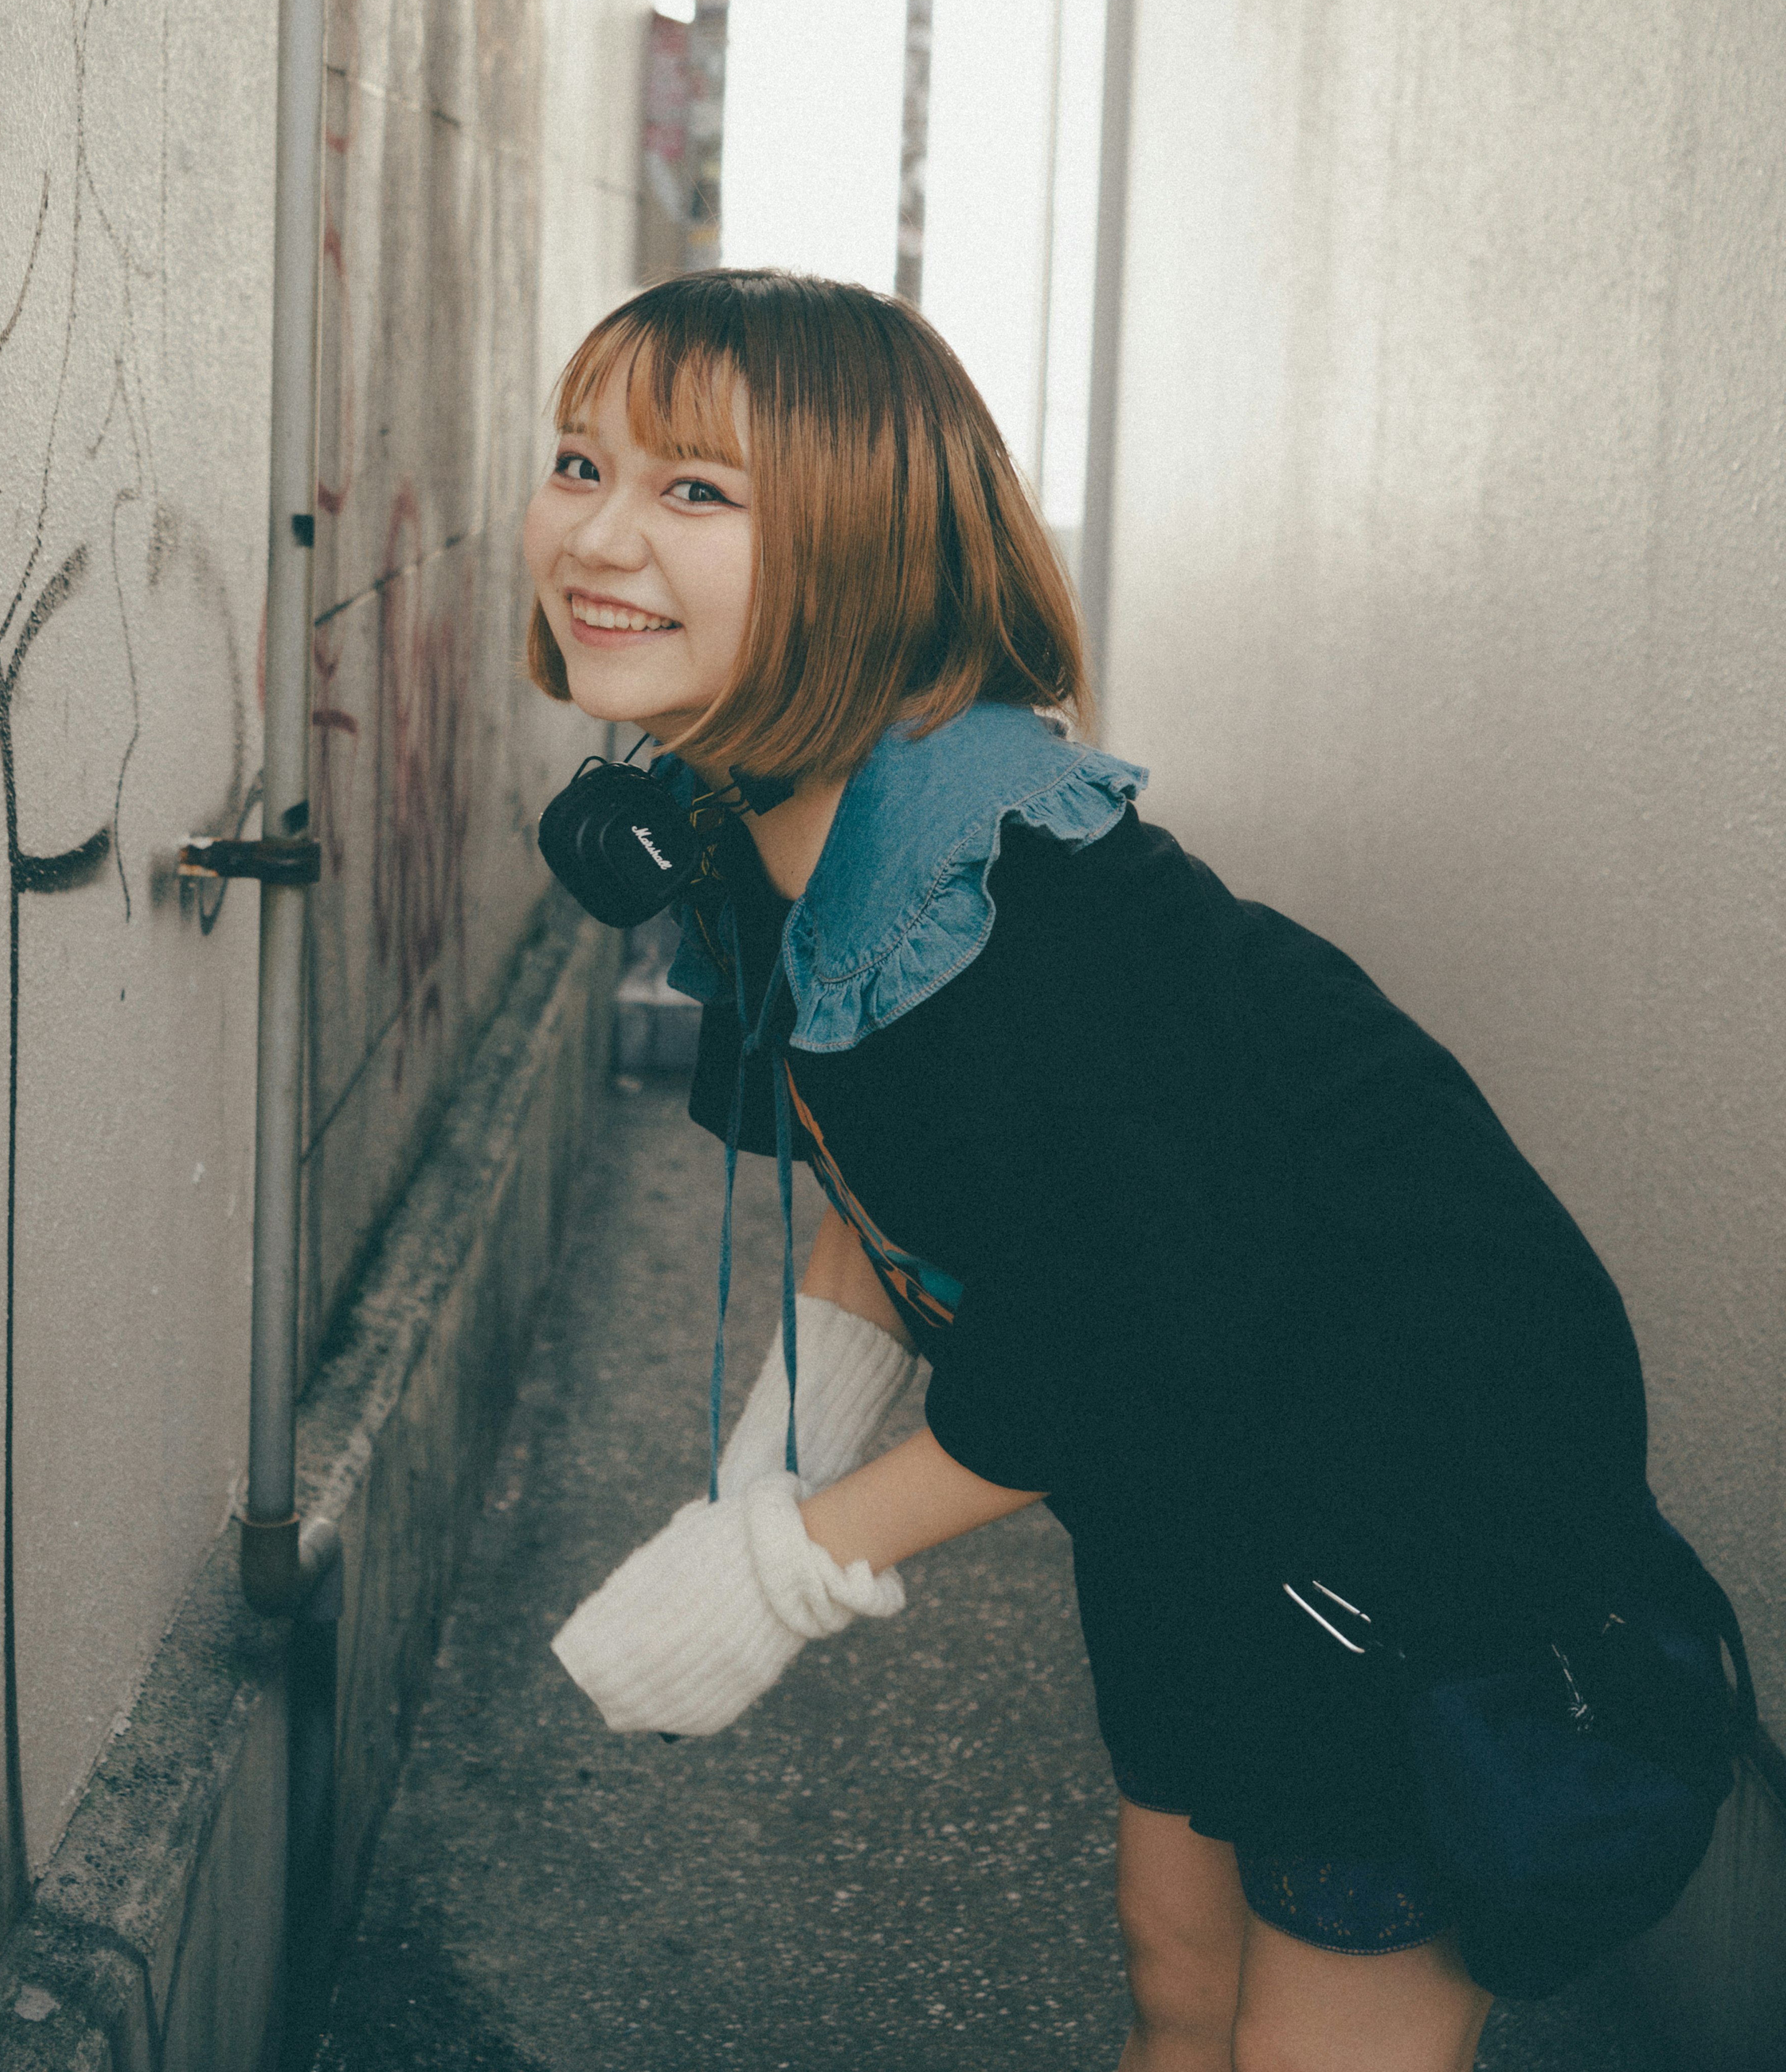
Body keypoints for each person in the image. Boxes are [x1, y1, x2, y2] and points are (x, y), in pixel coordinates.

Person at [522, 269, 1655, 2072]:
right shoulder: (760, 831)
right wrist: (774, 1463)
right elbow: (875, 1178)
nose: (598, 534)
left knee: (1313, 2040)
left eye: (696, 491)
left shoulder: (1049, 919)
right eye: (581, 463)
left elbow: (1127, 1329)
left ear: (869, 547)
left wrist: (793, 1568)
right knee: (1177, 1981)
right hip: (1194, 1479)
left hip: (1409, 1489)